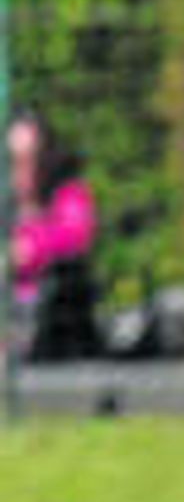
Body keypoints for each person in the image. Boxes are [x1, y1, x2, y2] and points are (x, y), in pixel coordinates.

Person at [7, 108, 99, 361]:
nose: (21, 170)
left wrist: (28, 248)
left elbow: (75, 236)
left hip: (50, 321)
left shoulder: (68, 194)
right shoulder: (7, 205)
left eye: (30, 158)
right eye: (13, 160)